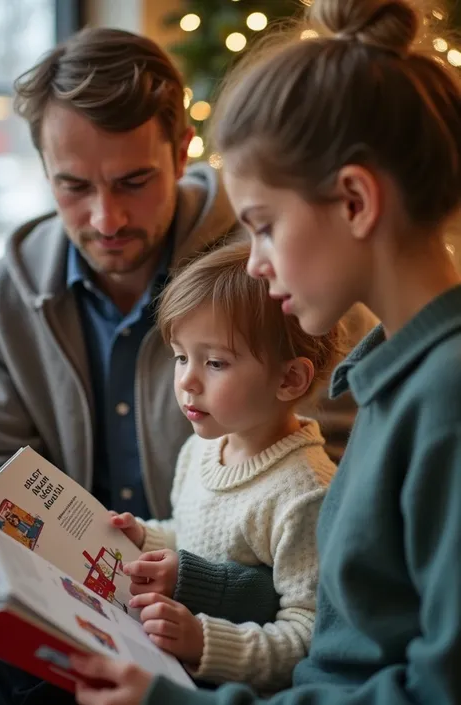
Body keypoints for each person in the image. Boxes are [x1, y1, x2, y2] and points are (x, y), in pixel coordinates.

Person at [70, 0, 461, 704]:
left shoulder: (445, 400)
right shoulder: (396, 375)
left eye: (263, 226)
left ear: (353, 201)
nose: (254, 264)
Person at [0, 27, 282, 705]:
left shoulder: (269, 269)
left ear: (181, 153)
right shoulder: (4, 300)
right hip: (70, 618)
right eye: (73, 187)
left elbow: (325, 501)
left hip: (228, 623)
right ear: (44, 169)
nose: (106, 217)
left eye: (133, 181)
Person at [112, 240, 340, 693]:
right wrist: (149, 539)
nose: (187, 381)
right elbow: (200, 537)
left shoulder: (305, 494)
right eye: (181, 356)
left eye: (215, 362)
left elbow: (307, 637)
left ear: (289, 378)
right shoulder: (202, 448)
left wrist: (203, 641)